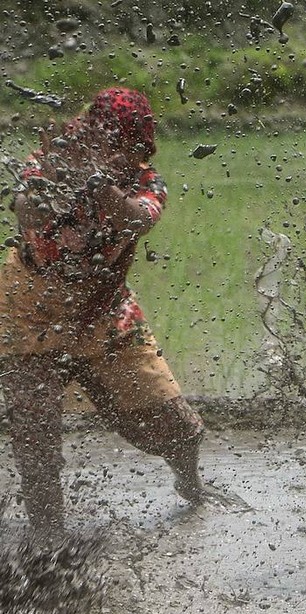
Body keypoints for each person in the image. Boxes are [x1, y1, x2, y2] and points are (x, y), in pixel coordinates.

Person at [0, 87, 234, 539]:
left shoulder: (146, 183)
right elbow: (26, 213)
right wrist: (62, 181)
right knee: (35, 434)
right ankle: (50, 541)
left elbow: (135, 220)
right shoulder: (49, 162)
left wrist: (97, 182)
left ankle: (191, 483)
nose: (121, 156)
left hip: (104, 312)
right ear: (88, 137)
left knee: (175, 427)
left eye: (130, 148)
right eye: (111, 145)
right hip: (29, 309)